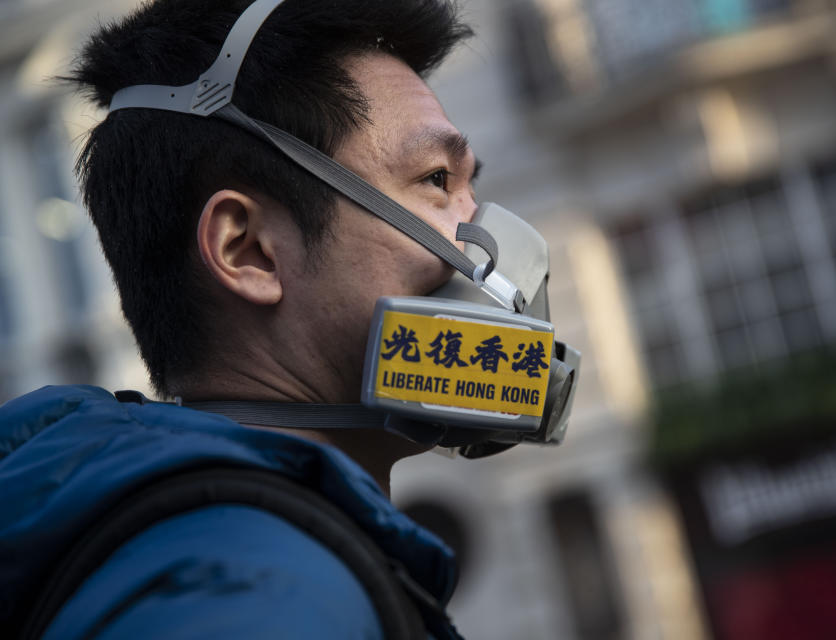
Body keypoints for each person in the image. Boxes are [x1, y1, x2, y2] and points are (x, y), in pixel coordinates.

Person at [0, 0, 487, 637]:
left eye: (472, 186)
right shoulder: (266, 593)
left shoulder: (201, 547)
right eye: (435, 178)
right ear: (247, 250)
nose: (477, 233)